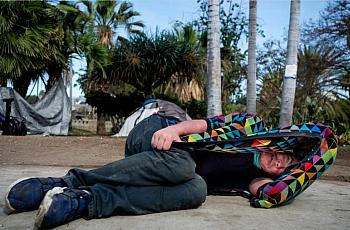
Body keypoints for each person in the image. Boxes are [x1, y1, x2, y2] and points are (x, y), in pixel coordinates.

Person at [4, 113, 298, 229]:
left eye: (288, 164)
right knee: (185, 164)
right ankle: (64, 181)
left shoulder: (256, 180)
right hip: (156, 134)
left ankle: (83, 200)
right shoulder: (251, 127)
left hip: (165, 173)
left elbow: (269, 194)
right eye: (284, 153)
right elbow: (202, 125)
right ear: (278, 141)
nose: (281, 161)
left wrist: (297, 177)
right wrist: (172, 129)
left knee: (197, 190)